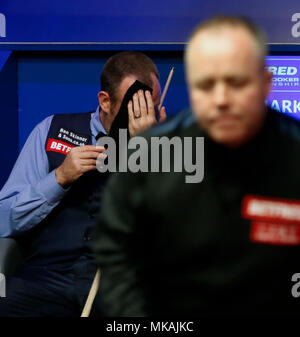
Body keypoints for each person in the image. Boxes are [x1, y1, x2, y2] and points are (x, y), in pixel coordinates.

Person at [93, 16, 300, 316]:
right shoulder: (151, 153)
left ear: (266, 84)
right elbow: (118, 256)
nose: (220, 100)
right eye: (205, 85)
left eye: (236, 82)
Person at [0, 51, 166, 317]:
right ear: (105, 101)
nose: (141, 119)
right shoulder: (51, 130)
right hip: (46, 278)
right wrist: (58, 179)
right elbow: (3, 219)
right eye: (133, 108)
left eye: (150, 108)